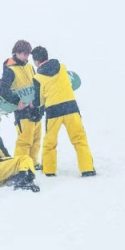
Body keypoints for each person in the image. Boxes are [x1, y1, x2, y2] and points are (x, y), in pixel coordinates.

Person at [29, 46, 95, 177]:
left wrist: (32, 105)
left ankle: (49, 170)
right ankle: (87, 169)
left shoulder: (38, 77)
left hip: (54, 111)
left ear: (36, 61)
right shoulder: (62, 67)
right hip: (71, 108)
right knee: (79, 139)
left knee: (50, 142)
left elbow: (39, 101)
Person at [0, 39, 43, 170]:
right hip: (22, 109)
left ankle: (33, 162)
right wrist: (16, 101)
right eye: (23, 53)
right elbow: (3, 90)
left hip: (34, 107)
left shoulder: (29, 66)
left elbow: (36, 83)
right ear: (16, 53)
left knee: (36, 138)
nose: (25, 56)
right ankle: (20, 166)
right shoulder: (10, 69)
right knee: (25, 140)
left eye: (27, 54)